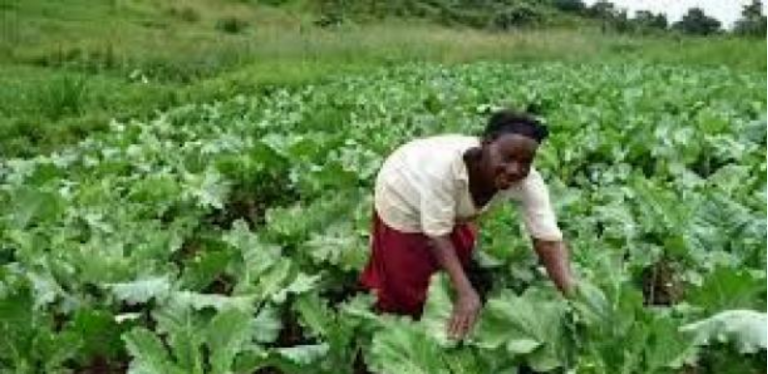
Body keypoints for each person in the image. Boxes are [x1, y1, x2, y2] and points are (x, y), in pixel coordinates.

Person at [360, 109, 575, 340]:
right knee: (407, 280)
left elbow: (548, 241)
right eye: (508, 157)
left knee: (457, 256)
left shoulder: (528, 181)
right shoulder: (444, 168)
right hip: (402, 186)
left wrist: (574, 295)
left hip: (450, 206)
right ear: (487, 143)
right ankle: (393, 329)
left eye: (525, 162)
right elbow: (437, 236)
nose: (515, 170)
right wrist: (466, 293)